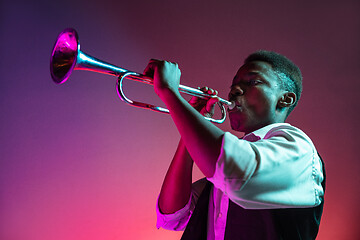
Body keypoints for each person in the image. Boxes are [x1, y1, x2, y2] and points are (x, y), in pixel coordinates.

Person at [143, 50, 325, 240]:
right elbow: (172, 216)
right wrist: (189, 126)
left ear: (285, 99)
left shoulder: (299, 149)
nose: (235, 90)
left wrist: (170, 92)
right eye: (234, 85)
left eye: (253, 82)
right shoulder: (233, 165)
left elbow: (235, 173)